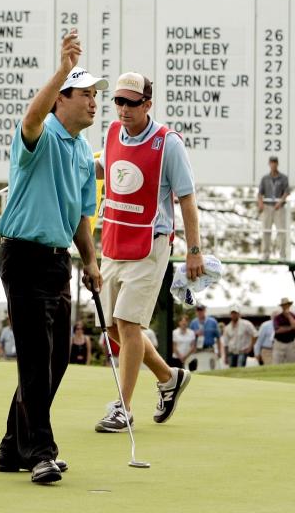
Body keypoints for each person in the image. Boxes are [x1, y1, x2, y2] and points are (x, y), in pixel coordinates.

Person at [0, 30, 103, 485]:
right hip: (22, 256)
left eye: (98, 95)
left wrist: (91, 262)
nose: (94, 102)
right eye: (85, 95)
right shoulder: (39, 135)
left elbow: (80, 214)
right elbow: (31, 116)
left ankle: (10, 449)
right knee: (36, 359)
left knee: (55, 361)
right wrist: (61, 69)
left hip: (59, 262)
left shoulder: (81, 152)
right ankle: (41, 451)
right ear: (62, 100)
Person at [94, 71, 203, 433]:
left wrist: (194, 251)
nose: (123, 109)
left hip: (151, 242)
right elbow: (106, 169)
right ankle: (169, 377)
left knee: (127, 323)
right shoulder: (111, 135)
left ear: (147, 104)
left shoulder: (167, 143)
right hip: (114, 241)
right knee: (112, 327)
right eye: (119, 102)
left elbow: (186, 198)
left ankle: (122, 408)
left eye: (131, 103)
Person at [257, 156, 289, 260]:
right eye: (271, 162)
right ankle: (266, 253)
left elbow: (286, 192)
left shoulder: (283, 178)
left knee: (281, 231)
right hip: (267, 207)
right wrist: (260, 203)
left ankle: (282, 255)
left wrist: (280, 202)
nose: (273, 164)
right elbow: (260, 193)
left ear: (277, 164)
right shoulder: (265, 178)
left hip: (279, 208)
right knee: (266, 231)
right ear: (269, 164)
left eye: (275, 162)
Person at [189, 304, 221, 371]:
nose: (200, 312)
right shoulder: (193, 323)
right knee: (199, 369)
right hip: (197, 350)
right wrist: (195, 333)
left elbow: (218, 337)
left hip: (209, 349)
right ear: (196, 311)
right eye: (198, 310)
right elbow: (190, 338)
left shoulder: (213, 322)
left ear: (204, 311)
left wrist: (219, 351)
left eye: (201, 310)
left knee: (211, 368)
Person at [272, 297, 295, 364]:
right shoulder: (277, 318)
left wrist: (289, 317)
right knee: (276, 363)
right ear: (282, 307)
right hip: (279, 343)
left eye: (287, 305)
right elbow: (278, 330)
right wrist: (291, 328)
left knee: (293, 363)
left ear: (289, 305)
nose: (285, 307)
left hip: (291, 343)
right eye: (284, 305)